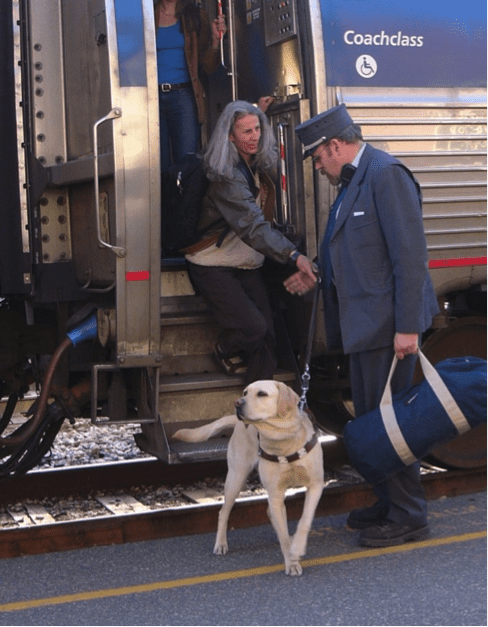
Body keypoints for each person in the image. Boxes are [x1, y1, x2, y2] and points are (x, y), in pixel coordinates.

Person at [290, 104, 439, 547]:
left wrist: (408, 327)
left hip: (387, 328)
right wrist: (318, 269)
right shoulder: (357, 177)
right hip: (365, 326)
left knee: (390, 424)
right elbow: (356, 246)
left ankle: (409, 514)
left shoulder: (386, 174)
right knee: (375, 420)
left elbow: (409, 258)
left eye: (318, 158)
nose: (319, 168)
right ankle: (387, 502)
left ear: (335, 145)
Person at [184, 100, 317, 384]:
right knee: (254, 330)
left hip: (246, 262)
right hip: (213, 263)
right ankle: (224, 349)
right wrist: (293, 255)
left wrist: (259, 109)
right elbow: (253, 226)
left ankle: (258, 406)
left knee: (268, 338)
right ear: (230, 136)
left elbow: (248, 122)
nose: (254, 135)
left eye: (257, 128)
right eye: (246, 131)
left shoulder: (247, 160)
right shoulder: (227, 175)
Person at [154, 0, 226, 172]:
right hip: (151, 98)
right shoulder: (147, 15)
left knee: (188, 162)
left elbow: (207, 67)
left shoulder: (194, 15)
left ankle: (187, 199)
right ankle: (165, 199)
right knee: (157, 164)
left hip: (183, 94)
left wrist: (215, 41)